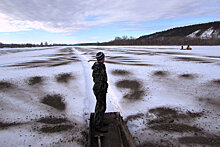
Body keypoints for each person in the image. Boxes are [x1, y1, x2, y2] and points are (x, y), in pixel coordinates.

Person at [92, 52, 108, 132]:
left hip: (102, 89)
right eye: (104, 57)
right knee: (100, 107)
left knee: (103, 106)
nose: (104, 59)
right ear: (101, 58)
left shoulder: (101, 66)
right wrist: (101, 91)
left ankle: (100, 121)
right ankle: (98, 125)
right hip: (99, 90)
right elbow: (98, 81)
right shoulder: (98, 68)